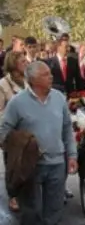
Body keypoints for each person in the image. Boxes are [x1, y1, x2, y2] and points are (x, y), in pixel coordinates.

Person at [0, 61, 77, 225]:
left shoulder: (59, 98)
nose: (51, 77)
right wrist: (21, 147)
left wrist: (72, 155)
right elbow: (4, 133)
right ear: (33, 79)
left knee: (55, 209)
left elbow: (67, 128)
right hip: (31, 167)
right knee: (31, 211)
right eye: (45, 74)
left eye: (50, 73)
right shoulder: (17, 103)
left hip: (57, 163)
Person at [0, 52, 26, 212]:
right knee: (12, 165)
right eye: (23, 61)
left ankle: (27, 193)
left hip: (29, 131)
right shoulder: (3, 84)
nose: (27, 63)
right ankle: (13, 195)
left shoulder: (28, 81)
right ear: (14, 64)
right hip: (12, 132)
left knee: (28, 163)